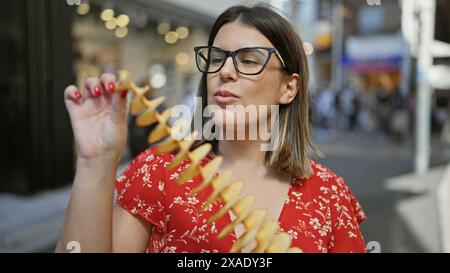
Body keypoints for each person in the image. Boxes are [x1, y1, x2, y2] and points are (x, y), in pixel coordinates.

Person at [56, 4, 367, 253]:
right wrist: (95, 161)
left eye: (248, 61)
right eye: (216, 58)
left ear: (289, 87)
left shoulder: (330, 196)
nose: (225, 71)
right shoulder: (160, 172)